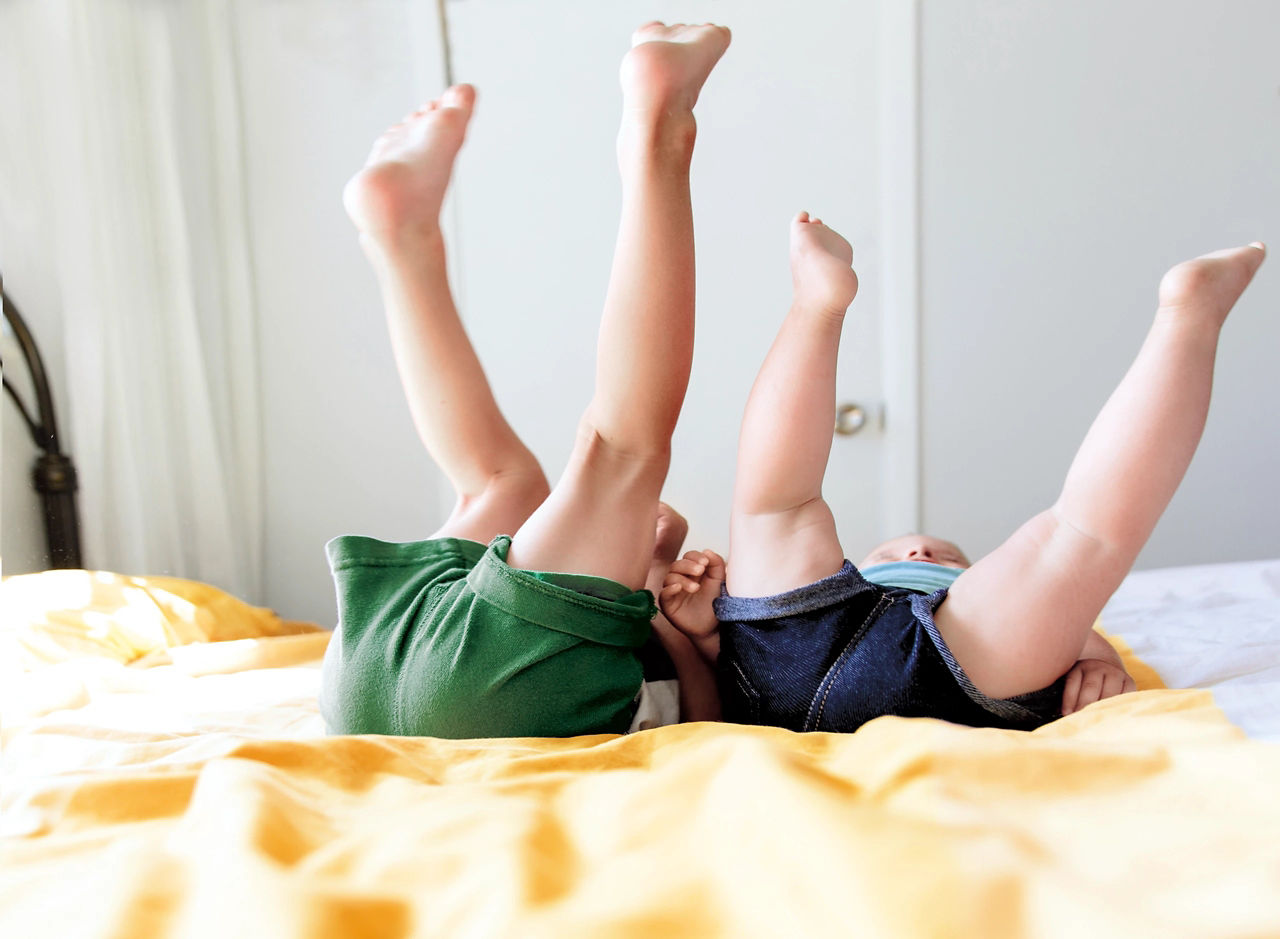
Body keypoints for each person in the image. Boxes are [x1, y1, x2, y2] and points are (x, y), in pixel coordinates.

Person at [660, 212, 1267, 732]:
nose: (921, 550)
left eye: (931, 555)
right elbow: (1062, 615)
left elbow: (1070, 628)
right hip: (936, 664)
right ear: (857, 574)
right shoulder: (946, 605)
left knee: (775, 507)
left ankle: (816, 306)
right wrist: (713, 636)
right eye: (917, 553)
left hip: (793, 663)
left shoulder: (956, 602)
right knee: (1078, 538)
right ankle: (1188, 314)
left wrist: (1097, 658)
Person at [319, 22, 730, 738]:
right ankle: (403, 234)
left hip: (470, 680)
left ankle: (660, 129)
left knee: (621, 451)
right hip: (364, 680)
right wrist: (654, 571)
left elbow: (705, 732)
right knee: (501, 487)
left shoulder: (749, 666)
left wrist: (688, 640)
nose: (918, 558)